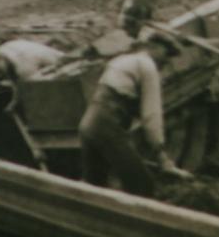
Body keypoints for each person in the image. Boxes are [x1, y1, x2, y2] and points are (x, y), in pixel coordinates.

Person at [78, 33, 190, 196]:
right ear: (154, 47)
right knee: (142, 185)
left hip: (88, 124)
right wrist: (163, 159)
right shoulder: (147, 66)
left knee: (95, 186)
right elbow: (151, 116)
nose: (166, 63)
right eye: (167, 55)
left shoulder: (122, 60)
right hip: (106, 126)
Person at [0, 38, 66, 112]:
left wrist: (13, 104)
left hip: (64, 67)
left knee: (37, 98)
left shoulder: (24, 66)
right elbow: (9, 76)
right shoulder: (1, 51)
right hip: (43, 65)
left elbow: (23, 88)